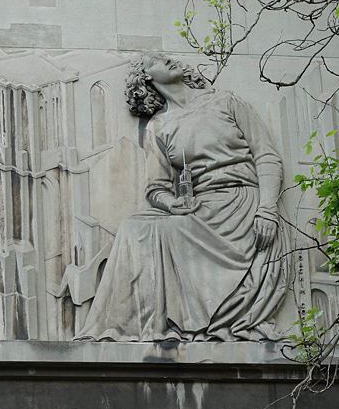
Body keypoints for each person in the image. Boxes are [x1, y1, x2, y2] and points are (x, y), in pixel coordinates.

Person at [74, 54, 290, 342]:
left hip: (242, 205)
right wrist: (171, 203)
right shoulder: (159, 126)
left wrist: (267, 210)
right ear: (146, 78)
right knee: (133, 228)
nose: (168, 60)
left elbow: (267, 156)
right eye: (157, 61)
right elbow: (156, 187)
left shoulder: (224, 101)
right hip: (200, 208)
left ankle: (205, 316)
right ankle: (128, 328)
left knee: (162, 231)